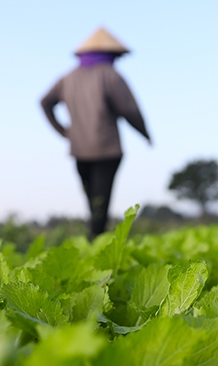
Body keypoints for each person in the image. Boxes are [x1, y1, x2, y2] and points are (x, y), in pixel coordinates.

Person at [40, 27, 151, 239]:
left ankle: (94, 240)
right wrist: (145, 133)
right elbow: (129, 109)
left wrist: (64, 132)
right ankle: (97, 242)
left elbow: (45, 103)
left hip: (79, 149)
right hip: (106, 148)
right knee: (101, 200)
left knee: (92, 199)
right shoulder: (110, 75)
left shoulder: (67, 78)